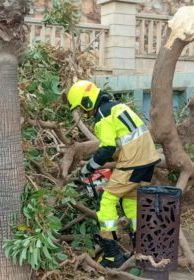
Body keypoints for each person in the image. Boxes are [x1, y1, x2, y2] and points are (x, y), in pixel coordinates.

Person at [66, 80, 161, 268]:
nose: (85, 113)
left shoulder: (102, 114)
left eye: (82, 108)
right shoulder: (117, 107)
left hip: (133, 163)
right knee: (130, 201)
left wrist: (88, 168)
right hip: (148, 159)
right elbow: (123, 142)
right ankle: (142, 251)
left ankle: (112, 255)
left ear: (87, 101)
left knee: (106, 202)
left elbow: (107, 148)